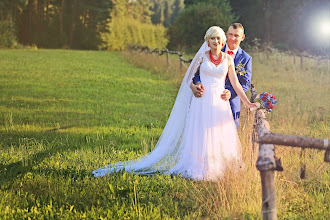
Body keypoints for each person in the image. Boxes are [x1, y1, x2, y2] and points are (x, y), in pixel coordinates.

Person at [93, 26, 258, 181]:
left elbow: (236, 84)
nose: (216, 41)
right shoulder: (202, 57)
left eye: (218, 39)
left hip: (220, 103)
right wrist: (194, 86)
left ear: (223, 42)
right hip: (202, 101)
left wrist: (249, 103)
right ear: (208, 41)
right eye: (212, 38)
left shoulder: (228, 59)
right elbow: (189, 78)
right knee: (201, 133)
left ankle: (219, 167)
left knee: (219, 134)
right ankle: (199, 167)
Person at [191, 23, 252, 128]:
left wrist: (230, 93)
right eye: (230, 34)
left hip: (231, 103)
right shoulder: (215, 47)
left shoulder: (246, 58)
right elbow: (196, 74)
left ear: (242, 37)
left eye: (236, 35)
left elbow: (245, 83)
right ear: (226, 34)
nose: (232, 38)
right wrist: (197, 83)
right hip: (206, 98)